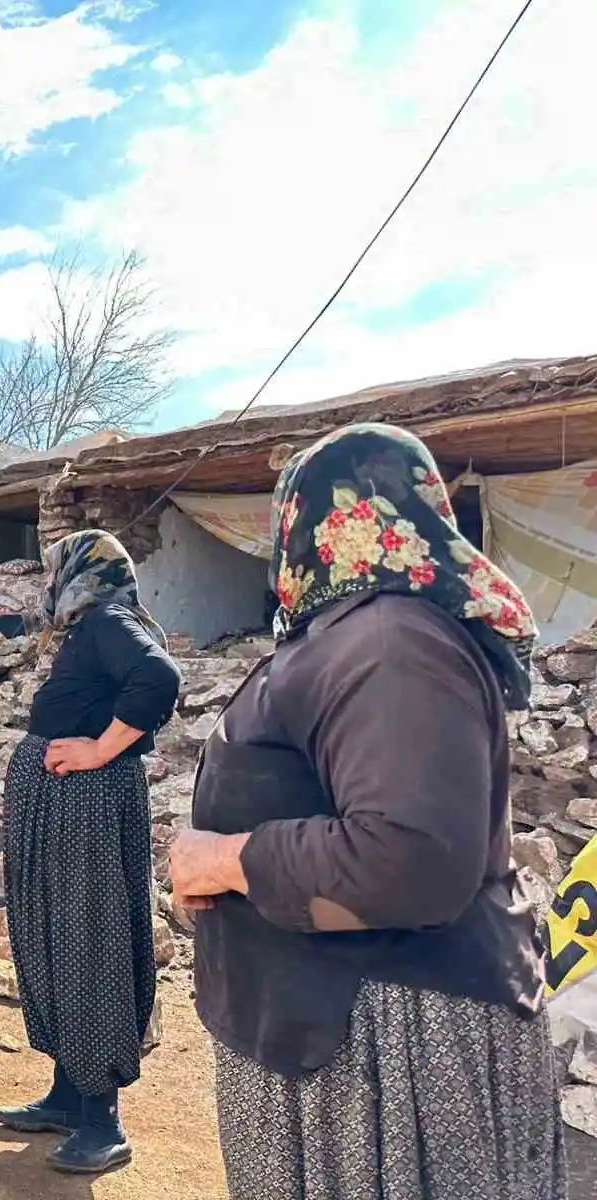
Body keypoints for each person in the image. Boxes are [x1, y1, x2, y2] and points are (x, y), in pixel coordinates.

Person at [170, 424, 566, 1199]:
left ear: (315, 519)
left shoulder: (390, 639)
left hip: (385, 1055)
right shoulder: (352, 632)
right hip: (339, 1038)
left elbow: (409, 860)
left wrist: (225, 860)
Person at [0, 529, 180, 1175]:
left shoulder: (108, 618)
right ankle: (68, 1095)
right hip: (63, 805)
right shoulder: (91, 627)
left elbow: (159, 677)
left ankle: (102, 1120)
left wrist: (100, 749)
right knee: (53, 939)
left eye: (54, 568)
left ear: (82, 571)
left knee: (87, 941)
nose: (49, 580)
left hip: (86, 805)